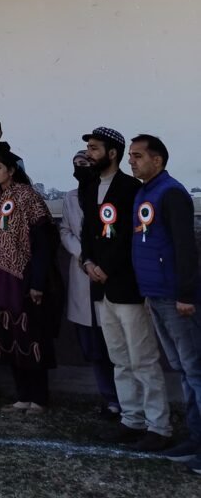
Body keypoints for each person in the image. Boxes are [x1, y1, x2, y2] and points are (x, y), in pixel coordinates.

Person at [79, 126, 172, 449]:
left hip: (126, 286)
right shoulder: (90, 188)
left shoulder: (132, 188)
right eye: (88, 148)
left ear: (112, 152)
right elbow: (88, 232)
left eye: (94, 148)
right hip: (100, 288)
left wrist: (108, 266)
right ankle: (131, 419)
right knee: (118, 357)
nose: (89, 154)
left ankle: (158, 425)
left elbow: (133, 236)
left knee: (142, 358)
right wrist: (88, 262)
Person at [128, 134, 201, 470]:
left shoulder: (171, 193)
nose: (132, 161)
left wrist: (186, 295)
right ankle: (195, 438)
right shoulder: (145, 192)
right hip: (155, 295)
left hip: (176, 298)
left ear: (157, 160)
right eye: (131, 156)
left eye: (138, 156)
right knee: (184, 372)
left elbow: (186, 248)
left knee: (195, 370)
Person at [0, 146, 59, 413]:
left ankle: (38, 396)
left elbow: (43, 241)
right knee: (10, 332)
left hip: (24, 276)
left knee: (31, 333)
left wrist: (38, 281)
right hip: (1, 277)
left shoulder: (28, 197)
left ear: (12, 170)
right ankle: (22, 394)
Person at [58, 147, 119, 420]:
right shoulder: (70, 198)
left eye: (84, 161)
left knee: (115, 344)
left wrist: (97, 257)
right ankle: (109, 398)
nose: (80, 166)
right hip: (82, 272)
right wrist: (83, 255)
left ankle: (125, 398)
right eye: (75, 163)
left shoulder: (109, 194)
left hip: (106, 274)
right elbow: (66, 230)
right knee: (93, 346)